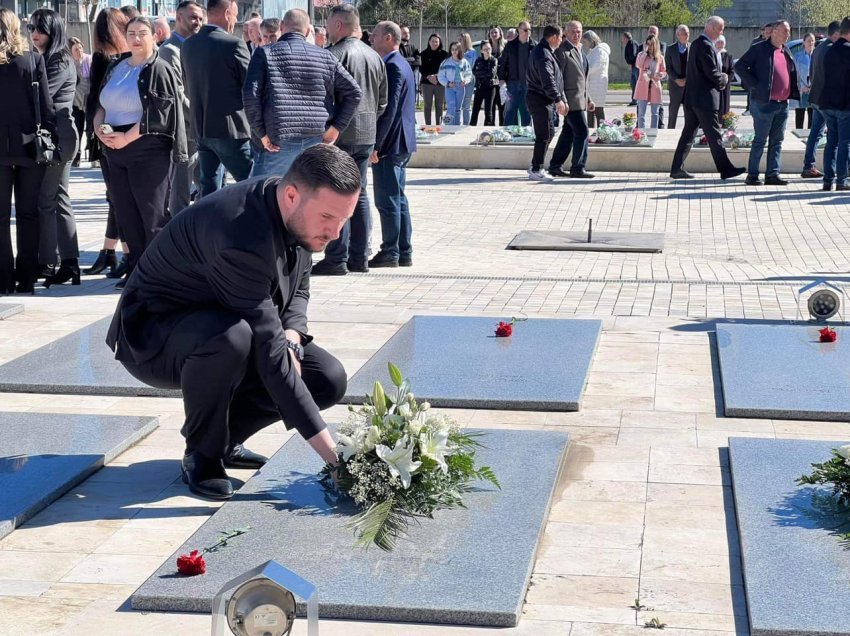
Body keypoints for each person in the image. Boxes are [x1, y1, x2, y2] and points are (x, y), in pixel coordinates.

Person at [106, 144, 358, 500]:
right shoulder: (240, 233)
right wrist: (337, 462)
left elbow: (299, 288)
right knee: (232, 340)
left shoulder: (296, 210)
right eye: (328, 219)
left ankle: (225, 439)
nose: (335, 233)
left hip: (224, 318)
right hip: (157, 336)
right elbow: (272, 360)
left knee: (326, 379)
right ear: (291, 195)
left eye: (344, 220)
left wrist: (293, 334)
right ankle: (202, 456)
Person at [93, 16, 187, 288]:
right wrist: (99, 127)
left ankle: (161, 274)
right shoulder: (116, 66)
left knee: (153, 215)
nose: (135, 38)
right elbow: (101, 103)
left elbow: (159, 114)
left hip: (148, 148)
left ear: (154, 36)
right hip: (114, 148)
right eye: (131, 32)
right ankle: (136, 271)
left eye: (141, 33)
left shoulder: (159, 68)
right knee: (126, 213)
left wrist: (126, 137)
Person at [311, 3, 387, 276]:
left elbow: (324, 98)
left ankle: (336, 258)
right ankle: (359, 257)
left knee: (335, 193)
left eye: (329, 25)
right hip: (366, 133)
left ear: (339, 26)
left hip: (339, 134)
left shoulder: (333, 55)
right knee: (361, 193)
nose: (327, 30)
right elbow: (382, 102)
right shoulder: (375, 56)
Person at [243, 9, 361, 179]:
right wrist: (336, 128)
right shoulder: (326, 56)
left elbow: (250, 95)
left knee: (265, 194)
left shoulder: (264, 53)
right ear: (307, 31)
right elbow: (354, 92)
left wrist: (261, 133)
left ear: (282, 27)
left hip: (277, 138)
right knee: (306, 194)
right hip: (315, 136)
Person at [0, 7, 54, 294]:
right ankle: (27, 278)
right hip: (29, 145)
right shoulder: (32, 59)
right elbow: (45, 106)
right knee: (28, 214)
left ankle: (3, 277)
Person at [27, 9, 79, 287]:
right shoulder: (47, 57)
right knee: (57, 198)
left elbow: (42, 97)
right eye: (32, 28)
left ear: (54, 31)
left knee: (48, 201)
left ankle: (49, 262)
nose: (34, 34)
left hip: (59, 138)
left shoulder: (59, 59)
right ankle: (67, 262)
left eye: (40, 29)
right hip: (57, 137)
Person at [181, 0, 252, 197]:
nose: (235, 21)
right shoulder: (233, 44)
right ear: (228, 13)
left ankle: (208, 226)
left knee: (209, 188)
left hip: (201, 129)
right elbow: (251, 88)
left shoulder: (188, 45)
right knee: (253, 183)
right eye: (236, 15)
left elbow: (188, 86)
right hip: (231, 131)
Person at [84, 8, 130, 279]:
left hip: (107, 134)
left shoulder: (105, 58)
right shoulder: (124, 58)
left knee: (117, 197)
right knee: (117, 197)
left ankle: (118, 254)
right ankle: (111, 253)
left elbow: (95, 97)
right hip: (121, 133)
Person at [669, 16, 745, 181]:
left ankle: (676, 168)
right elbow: (711, 73)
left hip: (693, 99)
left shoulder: (696, 44)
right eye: (720, 28)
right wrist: (724, 78)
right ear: (710, 28)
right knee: (714, 135)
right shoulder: (705, 46)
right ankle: (725, 169)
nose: (721, 32)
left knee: (688, 134)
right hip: (704, 100)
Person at [368, 21, 416, 269]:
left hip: (391, 143)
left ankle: (390, 252)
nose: (370, 38)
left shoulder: (393, 67)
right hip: (402, 141)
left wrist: (377, 145)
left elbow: (390, 109)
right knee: (398, 198)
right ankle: (403, 251)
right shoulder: (401, 64)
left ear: (388, 38)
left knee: (387, 200)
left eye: (375, 35)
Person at [735, 19, 798, 186]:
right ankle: (753, 175)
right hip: (764, 103)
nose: (788, 34)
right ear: (774, 31)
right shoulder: (759, 49)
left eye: (789, 31)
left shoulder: (786, 50)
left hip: (782, 104)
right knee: (760, 140)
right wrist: (755, 86)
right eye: (785, 31)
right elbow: (740, 66)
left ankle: (772, 174)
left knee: (777, 141)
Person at [158, 0, 204, 217]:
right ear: (178, 18)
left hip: (199, 130)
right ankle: (179, 241)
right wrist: (200, 117)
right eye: (193, 17)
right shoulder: (170, 50)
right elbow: (177, 94)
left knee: (208, 186)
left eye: (200, 18)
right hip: (184, 131)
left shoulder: (196, 46)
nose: (197, 22)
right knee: (181, 193)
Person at [548, 20, 594, 179]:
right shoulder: (562, 51)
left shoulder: (581, 50)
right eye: (573, 31)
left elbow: (582, 78)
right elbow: (558, 79)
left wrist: (588, 99)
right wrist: (562, 100)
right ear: (566, 33)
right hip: (571, 101)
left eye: (579, 31)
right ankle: (578, 167)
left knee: (568, 134)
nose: (577, 34)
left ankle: (555, 166)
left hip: (581, 100)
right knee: (582, 131)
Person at [526, 25, 566, 182]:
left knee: (549, 133)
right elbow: (547, 79)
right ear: (554, 37)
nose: (562, 40)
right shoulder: (543, 53)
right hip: (539, 98)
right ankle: (536, 168)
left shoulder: (547, 51)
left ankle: (536, 165)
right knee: (543, 134)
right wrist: (557, 99)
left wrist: (560, 98)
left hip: (544, 99)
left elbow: (555, 77)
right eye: (561, 37)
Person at [806, 20, 842, 182]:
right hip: (827, 100)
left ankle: (808, 166)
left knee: (815, 134)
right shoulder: (833, 50)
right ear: (836, 34)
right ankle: (836, 172)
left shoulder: (819, 48)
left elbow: (812, 72)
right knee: (837, 137)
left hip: (816, 97)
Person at [818, 16, 850, 191]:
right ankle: (842, 179)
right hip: (844, 103)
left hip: (827, 102)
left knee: (832, 141)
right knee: (845, 142)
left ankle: (828, 179)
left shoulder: (829, 49)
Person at [499, 21, 534, 126]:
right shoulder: (510, 45)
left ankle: (526, 134)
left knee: (527, 111)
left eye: (529, 30)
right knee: (510, 110)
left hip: (529, 84)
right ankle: (508, 133)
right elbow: (503, 63)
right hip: (513, 83)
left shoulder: (534, 46)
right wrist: (501, 79)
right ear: (519, 30)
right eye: (525, 30)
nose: (528, 32)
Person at [634, 35, 666, 129]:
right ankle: (641, 133)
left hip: (655, 86)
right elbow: (639, 65)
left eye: (651, 44)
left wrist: (658, 75)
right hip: (642, 86)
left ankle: (653, 132)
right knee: (641, 114)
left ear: (655, 45)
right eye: (647, 44)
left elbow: (664, 72)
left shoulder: (660, 57)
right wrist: (644, 52)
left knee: (655, 114)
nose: (649, 46)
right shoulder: (641, 55)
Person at [438, 41, 472, 126]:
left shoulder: (464, 62)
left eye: (456, 49)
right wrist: (448, 83)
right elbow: (440, 76)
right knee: (451, 106)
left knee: (458, 108)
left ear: (460, 50)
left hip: (460, 87)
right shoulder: (446, 62)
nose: (454, 51)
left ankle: (456, 125)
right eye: (452, 49)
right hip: (449, 87)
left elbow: (469, 74)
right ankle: (447, 124)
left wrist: (466, 80)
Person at [69, 37, 91, 166]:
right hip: (75, 102)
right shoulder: (69, 63)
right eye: (76, 49)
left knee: (90, 129)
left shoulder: (89, 60)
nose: (79, 51)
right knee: (77, 129)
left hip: (88, 100)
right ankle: (76, 155)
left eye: (81, 48)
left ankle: (92, 151)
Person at [419, 33, 448, 126]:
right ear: (429, 42)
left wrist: (436, 76)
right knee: (427, 106)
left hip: (440, 83)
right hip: (426, 83)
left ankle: (438, 125)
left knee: (439, 106)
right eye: (432, 41)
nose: (434, 43)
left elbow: (446, 68)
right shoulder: (423, 54)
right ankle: (428, 126)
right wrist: (428, 76)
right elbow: (421, 68)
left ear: (439, 42)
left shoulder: (445, 54)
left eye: (436, 41)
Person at [582, 30, 609, 128]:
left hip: (598, 84)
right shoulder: (593, 51)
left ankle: (603, 132)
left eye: (585, 42)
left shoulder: (601, 51)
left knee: (598, 109)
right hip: (591, 84)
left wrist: (583, 70)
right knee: (590, 109)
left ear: (591, 40)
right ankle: (590, 131)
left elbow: (596, 66)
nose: (585, 44)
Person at [665, 25, 689, 129]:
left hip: (689, 86)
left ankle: (688, 133)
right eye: (685, 33)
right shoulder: (670, 49)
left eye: (688, 33)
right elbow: (668, 67)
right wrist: (676, 79)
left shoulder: (693, 48)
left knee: (689, 112)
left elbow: (696, 67)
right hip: (675, 85)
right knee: (673, 112)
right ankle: (670, 131)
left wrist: (687, 79)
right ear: (678, 35)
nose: (688, 35)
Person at [790, 33, 815, 129]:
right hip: (801, 89)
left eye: (812, 40)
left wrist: (813, 86)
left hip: (813, 90)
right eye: (809, 40)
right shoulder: (797, 56)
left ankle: (810, 137)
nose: (811, 43)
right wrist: (801, 87)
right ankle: (798, 134)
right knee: (800, 114)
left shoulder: (817, 54)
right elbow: (794, 74)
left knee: (812, 115)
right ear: (804, 42)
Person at [470, 42, 498, 126]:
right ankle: (472, 125)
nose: (487, 51)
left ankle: (487, 126)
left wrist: (481, 72)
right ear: (481, 51)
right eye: (485, 49)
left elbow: (491, 73)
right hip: (480, 86)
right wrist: (483, 73)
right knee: (475, 108)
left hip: (490, 87)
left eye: (489, 49)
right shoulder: (478, 60)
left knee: (488, 109)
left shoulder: (494, 60)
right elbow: (474, 71)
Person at [486, 25, 506, 125]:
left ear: (500, 34)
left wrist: (503, 79)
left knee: (502, 107)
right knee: (490, 108)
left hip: (502, 83)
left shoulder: (505, 48)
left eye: (496, 32)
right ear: (489, 35)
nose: (494, 34)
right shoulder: (486, 47)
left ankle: (502, 128)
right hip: (490, 84)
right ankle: (490, 129)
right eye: (492, 32)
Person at [458, 32, 477, 125]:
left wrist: (467, 77)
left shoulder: (472, 52)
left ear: (466, 40)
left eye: (460, 40)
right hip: (458, 80)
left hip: (469, 79)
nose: (459, 41)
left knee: (466, 103)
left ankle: (466, 124)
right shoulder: (457, 51)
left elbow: (474, 65)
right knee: (458, 102)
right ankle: (457, 123)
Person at [715, 36, 734, 118]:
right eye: (718, 42)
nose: (720, 44)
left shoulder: (728, 56)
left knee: (723, 107)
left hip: (725, 86)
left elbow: (731, 71)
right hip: (714, 85)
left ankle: (723, 124)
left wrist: (725, 82)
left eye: (722, 42)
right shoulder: (713, 54)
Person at [622, 31, 639, 106]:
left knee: (635, 83)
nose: (622, 40)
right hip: (634, 65)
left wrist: (630, 63)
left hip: (635, 66)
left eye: (623, 38)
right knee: (633, 83)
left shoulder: (631, 43)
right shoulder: (631, 43)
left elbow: (633, 54)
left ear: (626, 38)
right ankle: (634, 100)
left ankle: (636, 100)